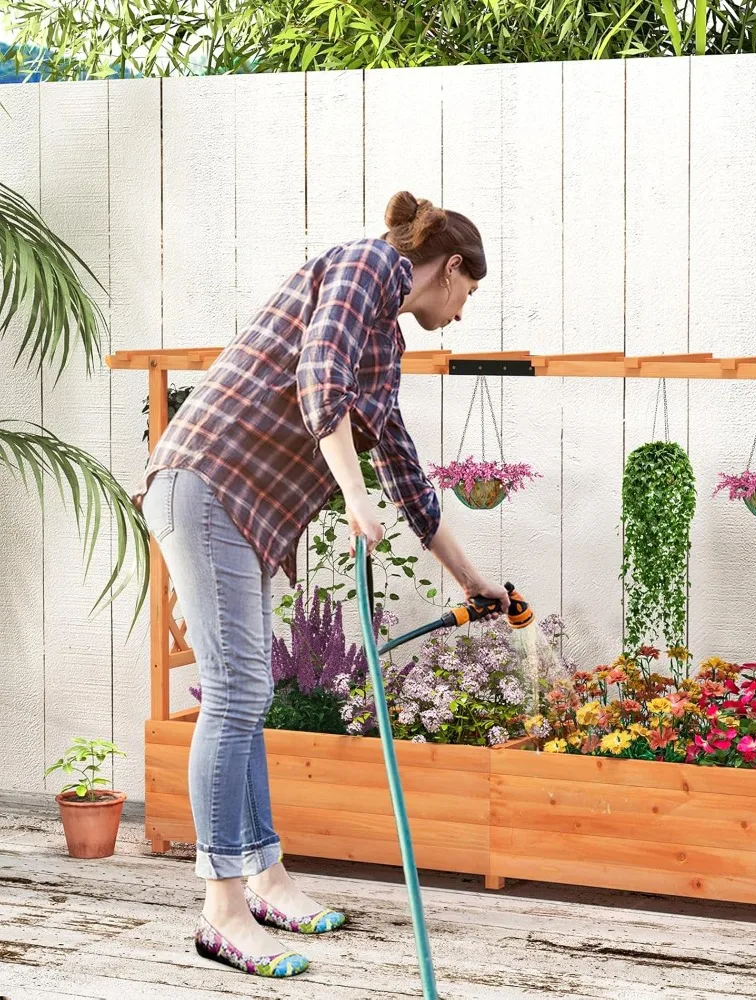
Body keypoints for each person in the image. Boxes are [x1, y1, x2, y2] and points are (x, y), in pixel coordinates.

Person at [136, 191, 510, 978]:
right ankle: (222, 912)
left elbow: (411, 484)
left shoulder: (385, 343)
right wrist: (352, 494)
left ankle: (266, 878)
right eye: (468, 293)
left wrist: (484, 588)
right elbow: (317, 379)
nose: (464, 311)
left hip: (235, 510)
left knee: (244, 694)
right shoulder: (363, 265)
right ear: (446, 270)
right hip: (206, 485)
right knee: (237, 693)